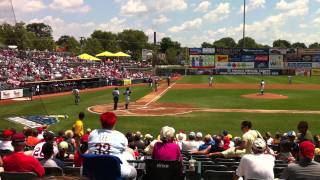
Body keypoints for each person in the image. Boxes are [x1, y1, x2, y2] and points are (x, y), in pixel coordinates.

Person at [88, 112, 137, 180]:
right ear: (114, 123)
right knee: (134, 172)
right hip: (115, 171)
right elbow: (123, 151)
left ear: (101, 122)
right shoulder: (120, 136)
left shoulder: (93, 134)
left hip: (93, 171)